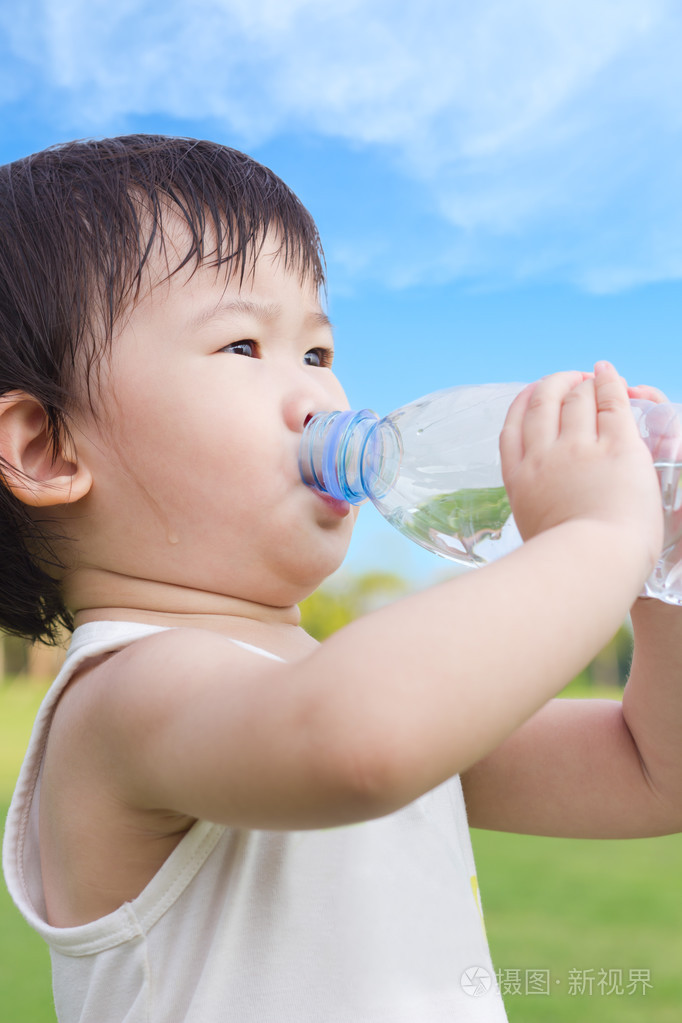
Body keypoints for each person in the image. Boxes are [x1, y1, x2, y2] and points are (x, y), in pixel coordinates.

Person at [1, 135, 680, 1023]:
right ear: (49, 448)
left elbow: (650, 770)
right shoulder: (123, 698)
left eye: (318, 354)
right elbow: (357, 737)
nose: (321, 399)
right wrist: (597, 535)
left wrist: (659, 568)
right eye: (244, 345)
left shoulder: (349, 696)